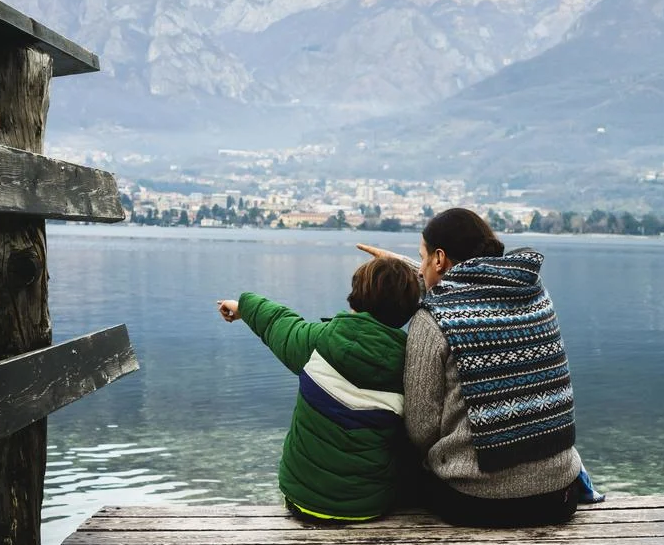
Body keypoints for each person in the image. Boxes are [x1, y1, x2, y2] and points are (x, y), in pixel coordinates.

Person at [360, 208, 598, 527]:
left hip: (476, 502)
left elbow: (421, 431)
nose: (421, 269)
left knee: (399, 457)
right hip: (559, 496)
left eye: (423, 258)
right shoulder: (534, 295)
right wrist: (405, 267)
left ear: (440, 259)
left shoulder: (431, 319)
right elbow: (473, 288)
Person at [216, 256, 419, 522]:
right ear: (406, 312)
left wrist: (242, 306)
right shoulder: (410, 365)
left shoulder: (317, 342)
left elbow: (276, 323)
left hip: (303, 500)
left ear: (354, 297)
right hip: (367, 508)